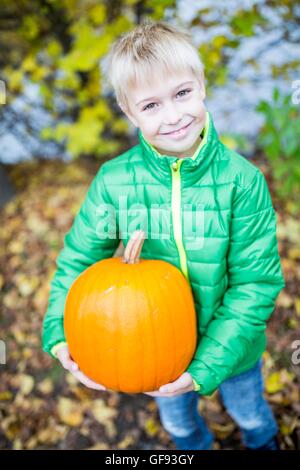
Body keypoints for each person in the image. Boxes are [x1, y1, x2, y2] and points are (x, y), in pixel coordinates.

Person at [42, 20, 285, 450]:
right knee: (180, 428)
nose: (173, 116)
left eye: (182, 94)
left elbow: (255, 283)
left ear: (202, 85)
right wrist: (60, 334)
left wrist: (207, 365)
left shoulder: (242, 182)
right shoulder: (115, 181)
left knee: (251, 414)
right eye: (150, 105)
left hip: (235, 349)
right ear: (129, 111)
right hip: (154, 352)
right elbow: (78, 260)